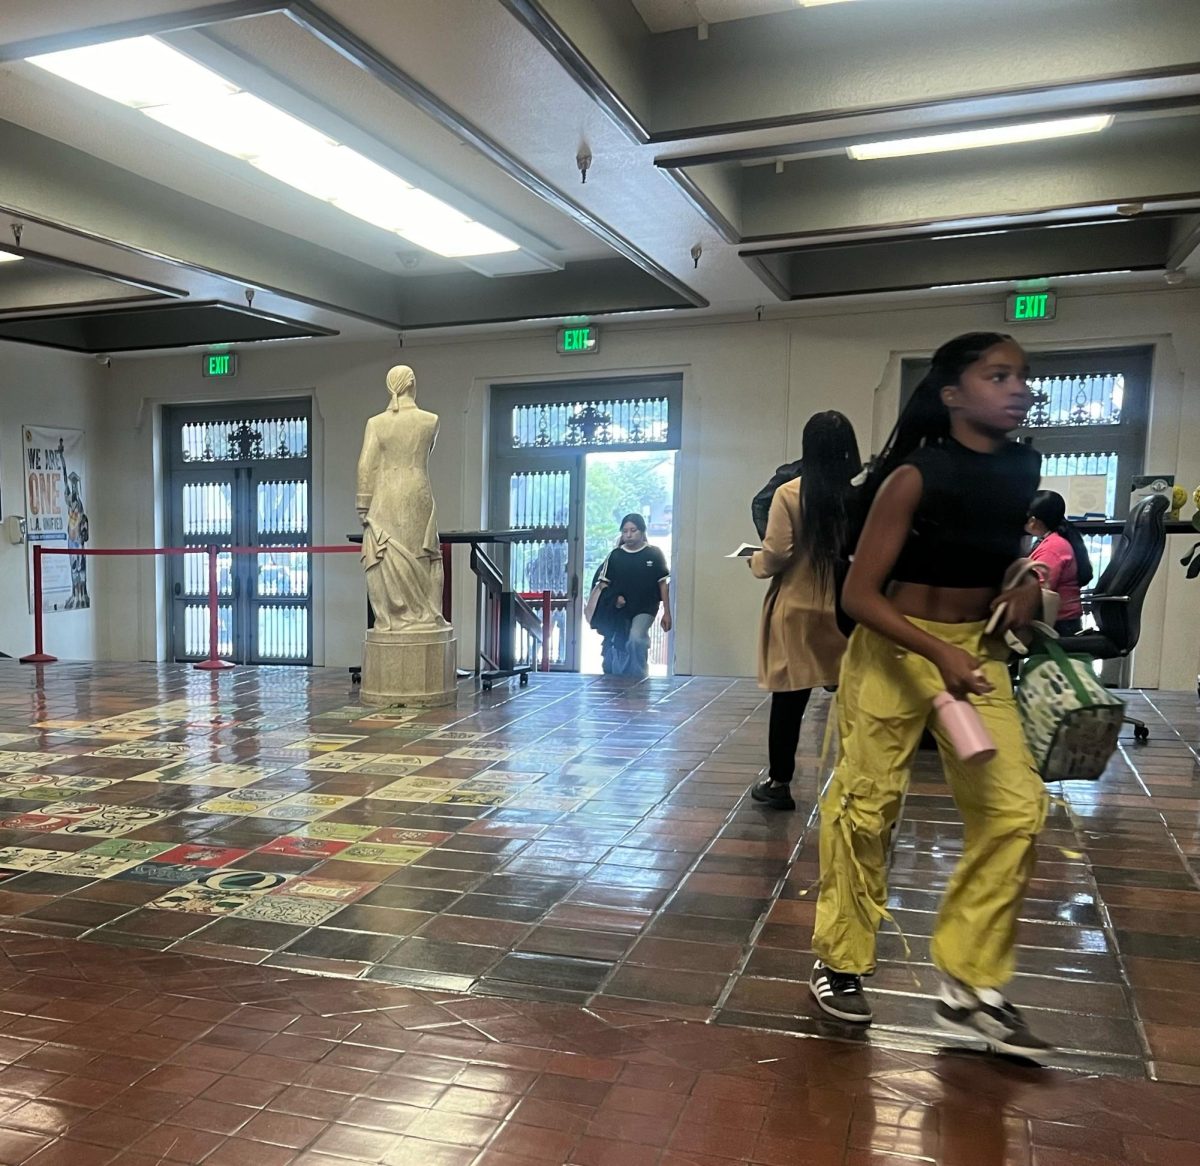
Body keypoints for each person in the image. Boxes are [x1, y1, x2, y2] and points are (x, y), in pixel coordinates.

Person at [808, 331, 1052, 1060]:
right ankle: (840, 962)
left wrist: (1027, 585)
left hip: (975, 651)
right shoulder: (914, 475)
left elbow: (1003, 554)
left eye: (1022, 376)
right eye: (998, 375)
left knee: (1017, 809)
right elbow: (857, 594)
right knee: (866, 806)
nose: (1018, 387)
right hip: (895, 648)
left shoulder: (1022, 466)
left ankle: (969, 987)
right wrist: (934, 648)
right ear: (952, 394)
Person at [748, 412, 861, 811]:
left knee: (789, 702)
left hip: (797, 609)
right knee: (852, 702)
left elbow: (777, 553)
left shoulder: (791, 493)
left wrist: (755, 563)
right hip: (847, 611)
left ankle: (779, 783)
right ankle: (857, 783)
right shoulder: (858, 496)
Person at [590, 513, 670, 677]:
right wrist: (613, 599)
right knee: (619, 642)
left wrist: (667, 613)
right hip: (620, 609)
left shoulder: (654, 554)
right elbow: (603, 584)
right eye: (625, 531)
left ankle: (638, 676)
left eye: (633, 530)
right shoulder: (615, 556)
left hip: (645, 607)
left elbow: (663, 584)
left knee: (636, 638)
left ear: (641, 531)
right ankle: (620, 677)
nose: (629, 534)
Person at [1027, 490, 1093, 636]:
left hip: (1059, 625)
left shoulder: (1053, 548)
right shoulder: (1053, 540)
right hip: (1061, 622)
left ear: (1032, 521)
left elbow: (1039, 590)